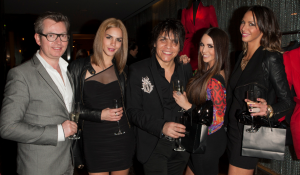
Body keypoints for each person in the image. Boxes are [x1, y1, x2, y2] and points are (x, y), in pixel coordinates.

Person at [0, 12, 77, 175]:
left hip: (67, 164)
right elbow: (8, 128)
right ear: (37, 38)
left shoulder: (67, 70)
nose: (58, 41)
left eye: (63, 35)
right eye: (51, 35)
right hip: (39, 168)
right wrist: (58, 132)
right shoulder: (21, 75)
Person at [226, 5, 295, 175]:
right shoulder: (241, 57)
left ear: (264, 28)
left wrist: (269, 109)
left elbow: (288, 102)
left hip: (251, 132)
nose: (244, 27)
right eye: (243, 22)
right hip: (234, 130)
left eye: (251, 24)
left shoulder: (270, 57)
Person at [126, 19, 193, 175]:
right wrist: (161, 126)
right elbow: (132, 111)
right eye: (163, 39)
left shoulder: (185, 68)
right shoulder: (138, 70)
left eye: (174, 42)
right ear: (154, 42)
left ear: (180, 47)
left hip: (182, 145)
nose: (168, 46)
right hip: (153, 144)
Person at [69, 18, 135, 175]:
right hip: (94, 139)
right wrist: (100, 115)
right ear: (100, 38)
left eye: (119, 40)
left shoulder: (124, 71)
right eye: (109, 37)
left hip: (121, 138)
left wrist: (180, 61)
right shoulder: (78, 68)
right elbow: (70, 107)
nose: (113, 43)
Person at [173, 27, 229, 175]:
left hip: (208, 142)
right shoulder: (206, 71)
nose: (204, 50)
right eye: (202, 45)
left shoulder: (216, 79)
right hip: (202, 139)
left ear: (220, 49)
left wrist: (187, 106)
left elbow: (216, 121)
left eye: (210, 46)